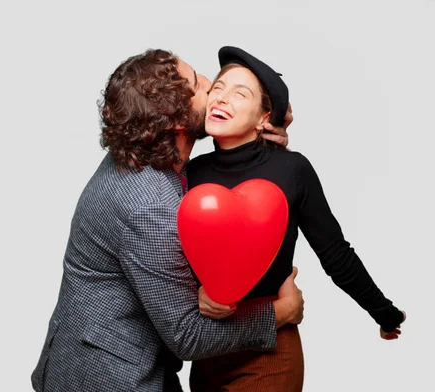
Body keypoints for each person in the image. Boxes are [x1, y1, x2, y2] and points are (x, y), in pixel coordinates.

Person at [31, 49, 303, 392]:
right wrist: (282, 311)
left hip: (80, 358)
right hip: (111, 379)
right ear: (177, 121)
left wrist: (258, 141)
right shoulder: (149, 205)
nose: (210, 83)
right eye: (198, 83)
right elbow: (188, 336)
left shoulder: (138, 150)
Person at [186, 46, 407, 392]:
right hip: (209, 348)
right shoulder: (190, 173)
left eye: (239, 93)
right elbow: (168, 255)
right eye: (217, 88)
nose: (221, 99)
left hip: (271, 349)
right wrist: (195, 293)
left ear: (264, 118)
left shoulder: (292, 169)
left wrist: (384, 312)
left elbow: (335, 254)